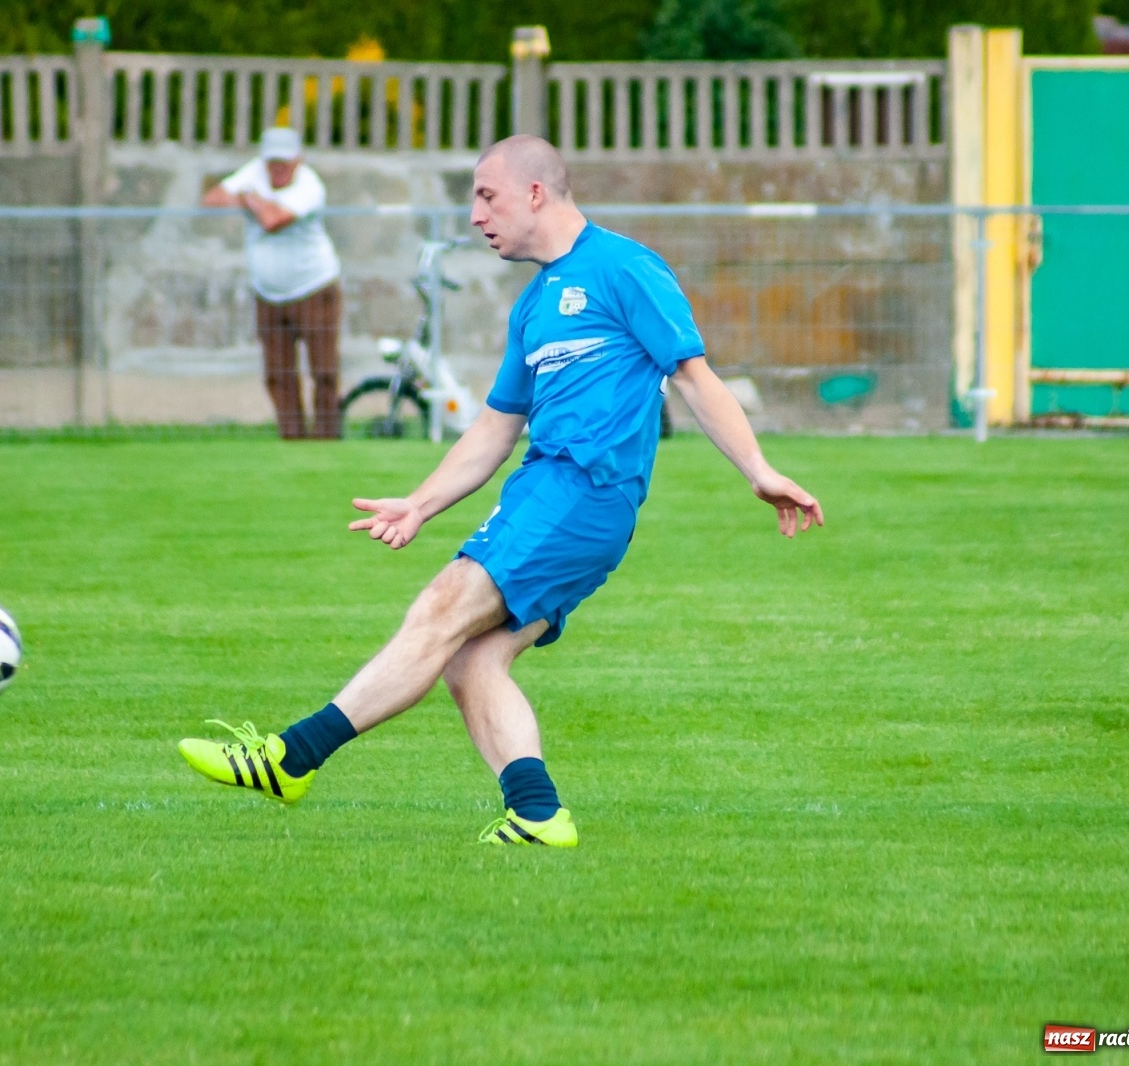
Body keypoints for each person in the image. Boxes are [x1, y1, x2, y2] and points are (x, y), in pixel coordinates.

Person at [179, 135, 824, 847]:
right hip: (546, 492)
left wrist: (759, 470)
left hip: (582, 490)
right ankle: (538, 815)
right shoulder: (532, 307)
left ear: (536, 193)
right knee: (470, 657)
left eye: (487, 196)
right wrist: (419, 503)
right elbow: (492, 429)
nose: (476, 216)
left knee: (441, 606)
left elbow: (696, 379)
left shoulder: (623, 268)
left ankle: (289, 758)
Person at [202, 127, 343, 439]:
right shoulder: (253, 173)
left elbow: (273, 220)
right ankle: (292, 438)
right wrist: (254, 199)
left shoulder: (310, 185)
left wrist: (249, 197)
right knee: (278, 373)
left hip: (314, 287)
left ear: (297, 160)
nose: (276, 169)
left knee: (323, 370)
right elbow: (211, 199)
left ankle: (326, 439)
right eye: (271, 163)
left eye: (283, 162)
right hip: (267, 293)